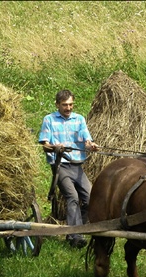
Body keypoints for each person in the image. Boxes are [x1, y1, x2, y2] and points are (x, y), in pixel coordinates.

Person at [38, 89, 99, 249]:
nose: (68, 107)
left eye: (71, 104)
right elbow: (44, 145)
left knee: (89, 197)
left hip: (77, 165)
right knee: (72, 197)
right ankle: (75, 236)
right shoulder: (49, 120)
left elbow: (86, 138)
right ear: (57, 104)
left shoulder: (79, 119)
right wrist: (54, 147)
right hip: (60, 165)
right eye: (65, 105)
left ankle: (79, 228)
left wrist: (90, 145)